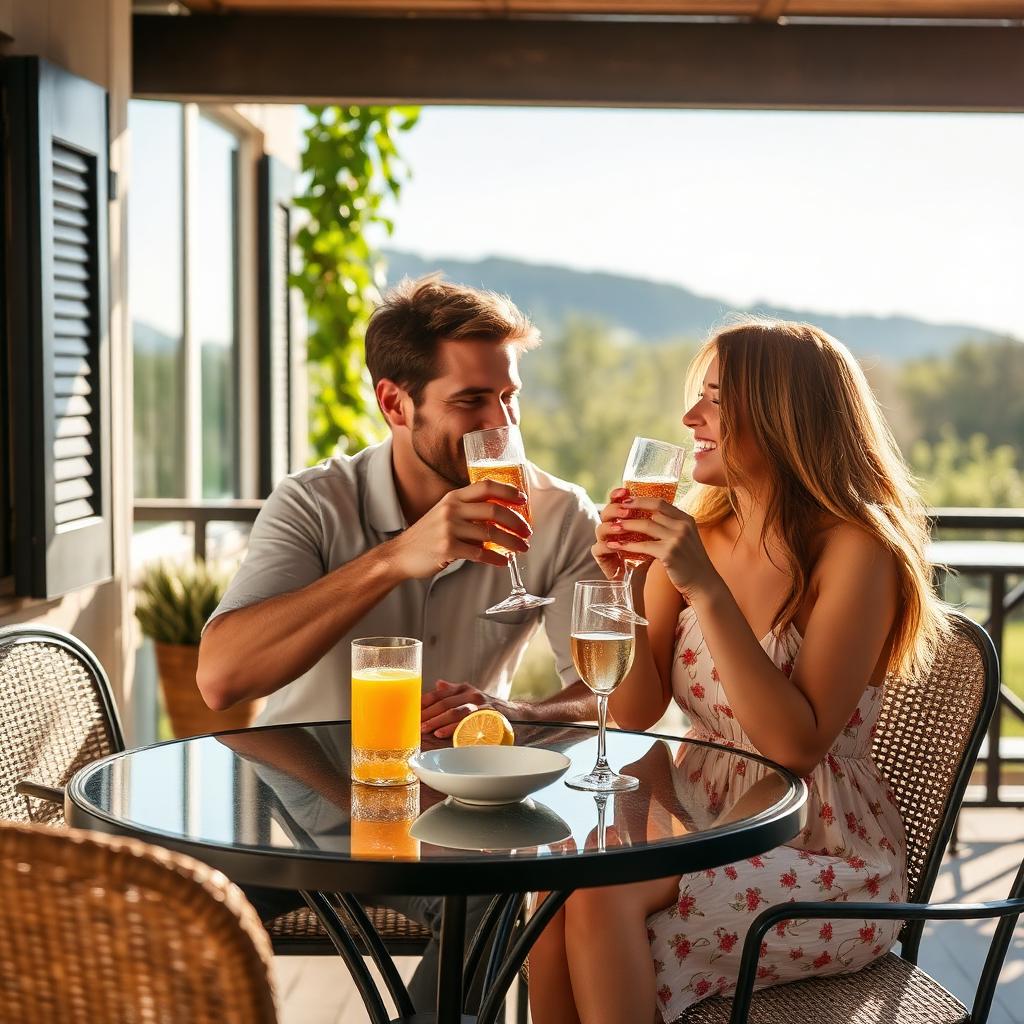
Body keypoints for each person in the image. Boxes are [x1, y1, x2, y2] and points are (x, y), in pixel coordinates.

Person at [528, 317, 951, 1024]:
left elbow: (796, 746)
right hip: (701, 813)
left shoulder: (855, 550)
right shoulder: (698, 530)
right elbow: (632, 710)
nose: (691, 416)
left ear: (783, 415)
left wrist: (706, 590)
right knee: (560, 877)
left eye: (717, 400)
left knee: (602, 896)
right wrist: (625, 583)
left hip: (817, 844)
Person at [196, 274, 600, 1010]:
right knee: (172, 902)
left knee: (494, 903)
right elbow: (221, 679)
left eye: (509, 397)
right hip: (288, 799)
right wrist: (395, 557)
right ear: (394, 403)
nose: (501, 426)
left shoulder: (560, 513)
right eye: (471, 402)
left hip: (448, 810)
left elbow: (604, 693)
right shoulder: (315, 502)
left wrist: (519, 712)